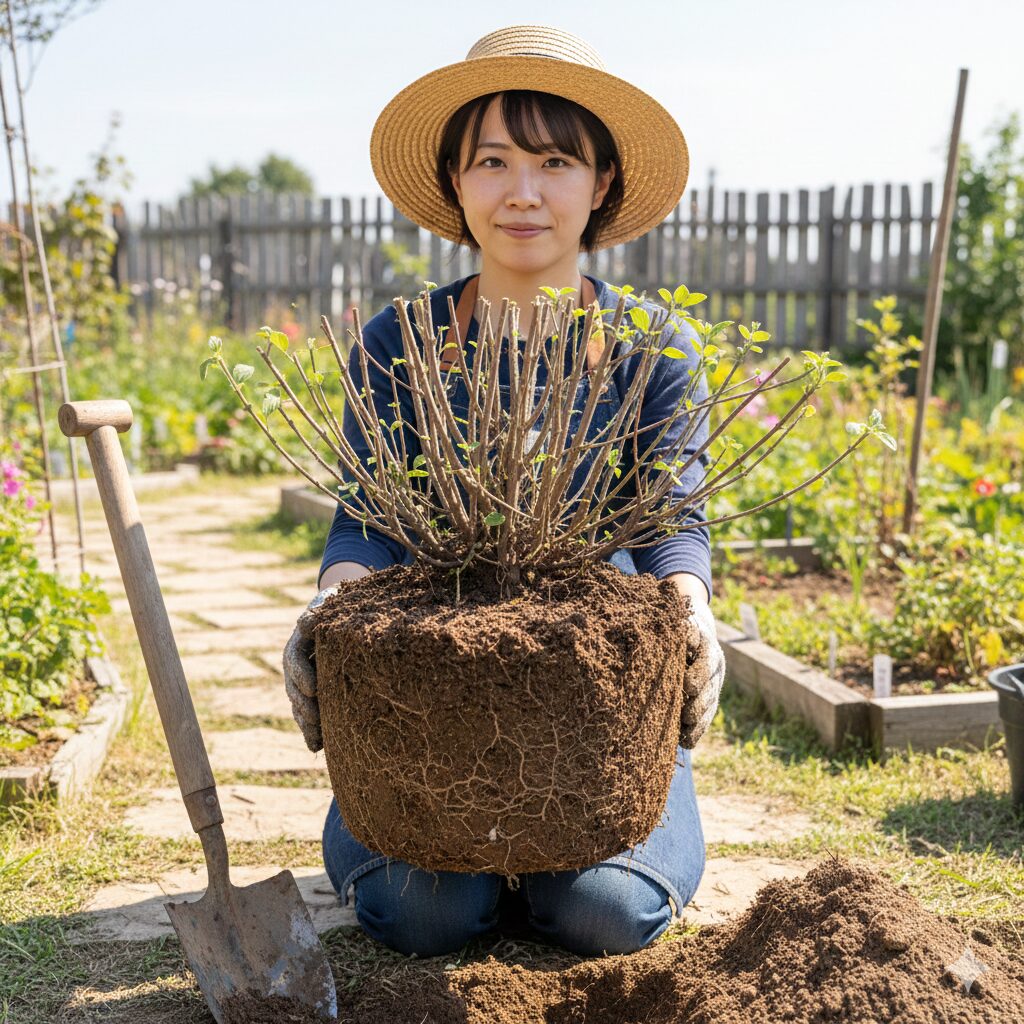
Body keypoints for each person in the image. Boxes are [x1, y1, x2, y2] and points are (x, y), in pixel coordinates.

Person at [283, 24, 726, 959]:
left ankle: (571, 858)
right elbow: (366, 521)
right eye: (491, 161)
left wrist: (691, 605)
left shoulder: (654, 349)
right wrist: (331, 604)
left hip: (591, 705)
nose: (522, 192)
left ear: (601, 182)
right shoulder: (401, 343)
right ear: (454, 180)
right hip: (429, 706)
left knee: (604, 909)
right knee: (426, 914)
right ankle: (465, 863)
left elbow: (671, 518)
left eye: (556, 160)